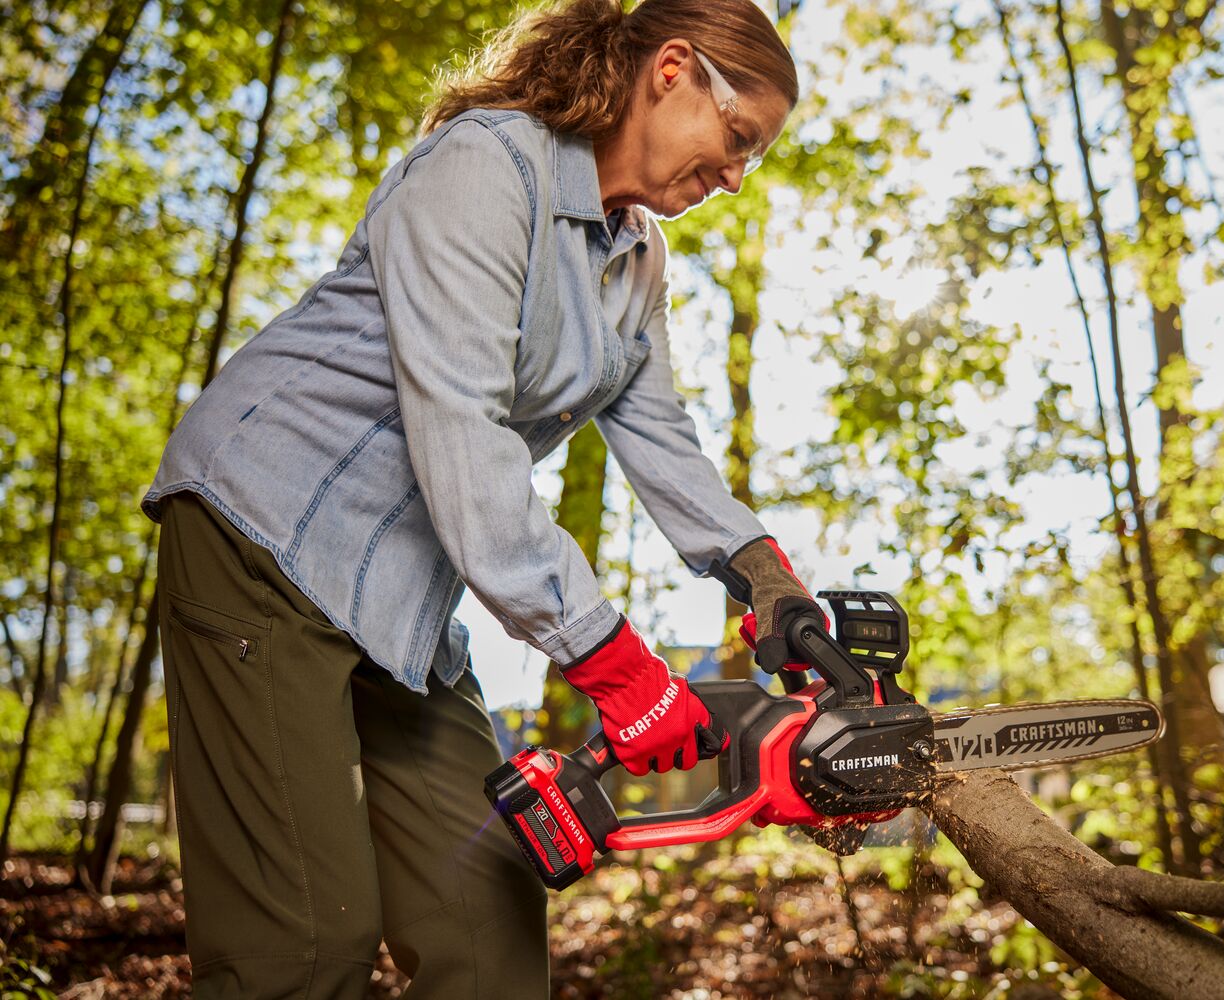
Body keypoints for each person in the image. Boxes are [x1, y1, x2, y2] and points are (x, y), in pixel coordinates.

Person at [139, 0, 824, 995]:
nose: (734, 175)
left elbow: (661, 438)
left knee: (487, 924)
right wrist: (613, 662)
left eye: (752, 157)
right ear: (671, 69)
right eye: (739, 138)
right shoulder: (488, 166)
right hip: (264, 535)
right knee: (302, 947)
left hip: (401, 594)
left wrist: (768, 580)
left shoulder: (637, 259)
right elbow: (464, 435)